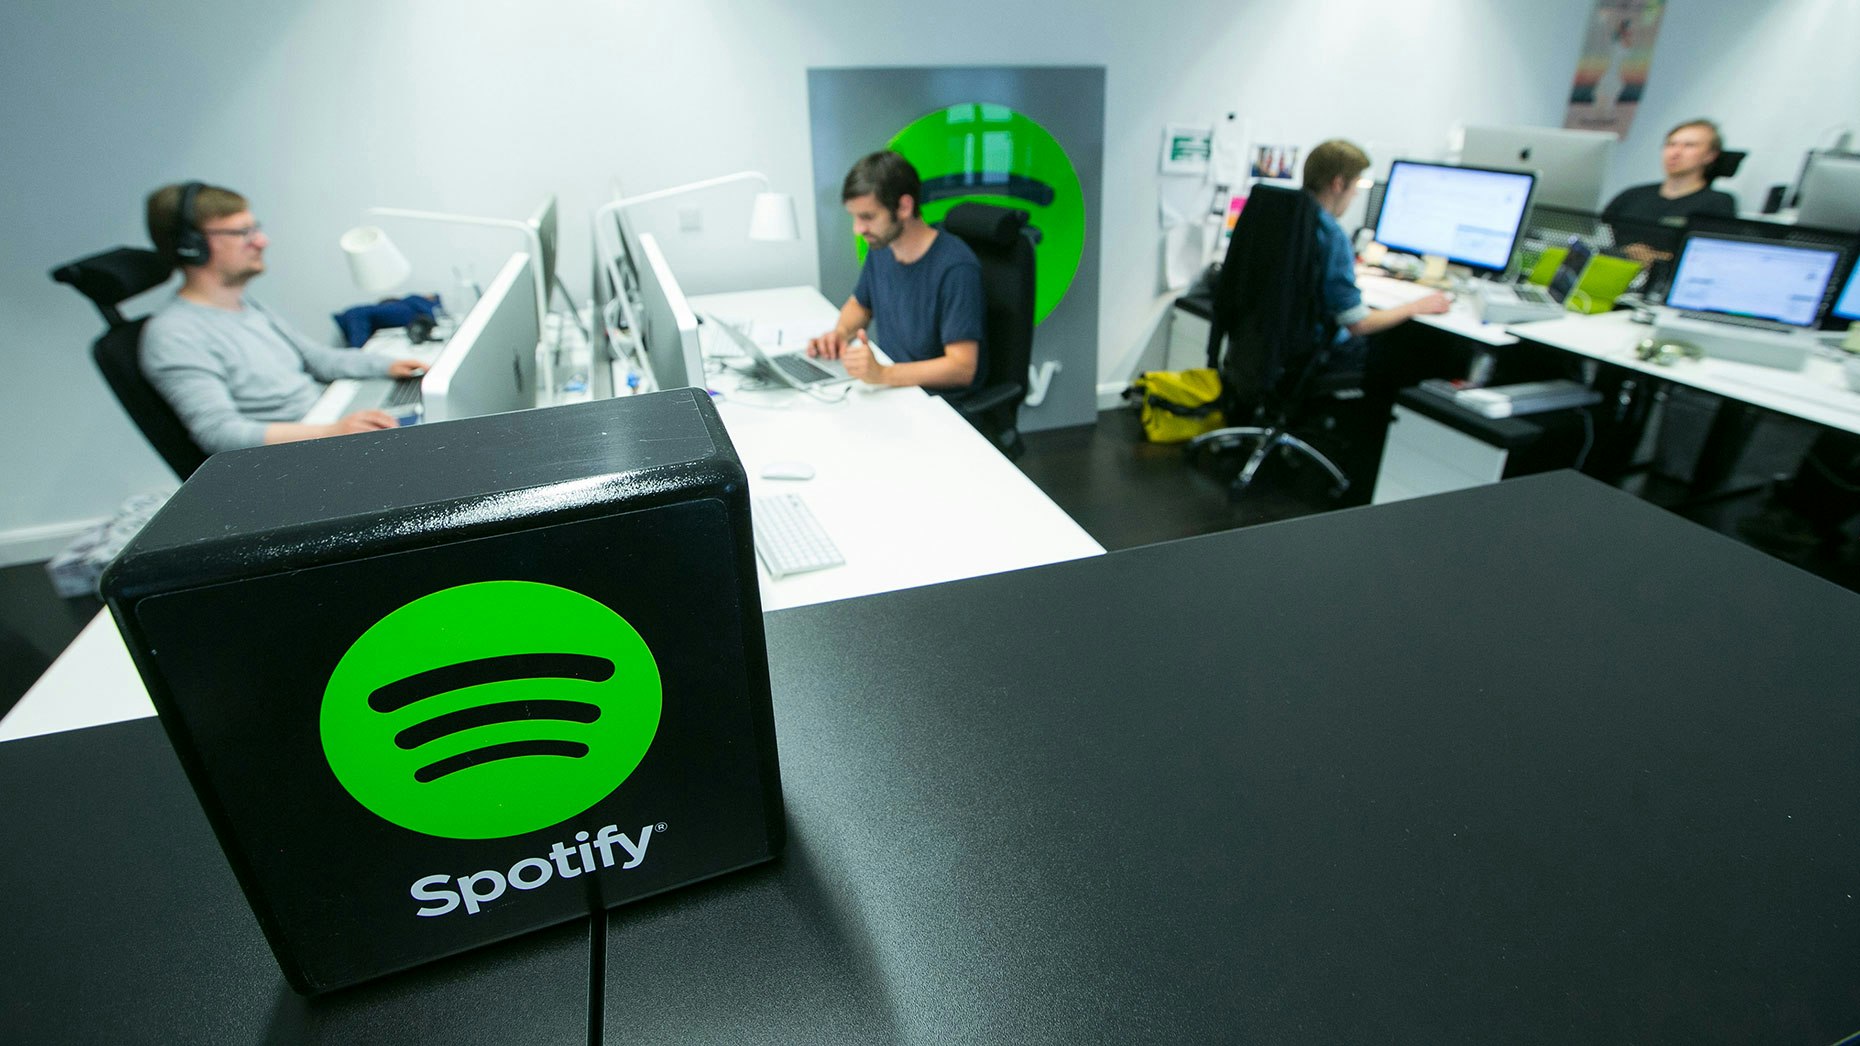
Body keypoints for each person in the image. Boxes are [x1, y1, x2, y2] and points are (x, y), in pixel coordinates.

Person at [140, 182, 427, 455]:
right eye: (243, 232)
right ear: (191, 246)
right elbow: (219, 434)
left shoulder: (246, 306)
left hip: (326, 426)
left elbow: (316, 359)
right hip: (299, 454)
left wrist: (389, 365)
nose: (262, 241)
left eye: (256, 229)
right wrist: (332, 432)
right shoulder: (173, 333)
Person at [807, 152, 983, 391]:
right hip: (896, 388)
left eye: (867, 217)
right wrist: (840, 334)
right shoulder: (882, 247)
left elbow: (962, 367)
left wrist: (883, 374)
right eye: (855, 217)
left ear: (904, 207)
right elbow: (860, 304)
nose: (858, 229)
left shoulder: (956, 268)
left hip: (938, 404)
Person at [1303, 139, 1450, 370]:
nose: (1355, 196)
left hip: (1268, 350)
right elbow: (1357, 323)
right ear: (1339, 184)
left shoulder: (1283, 216)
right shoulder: (1331, 234)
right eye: (1355, 188)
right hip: (1315, 353)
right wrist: (1414, 307)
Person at [1601, 119, 1738, 226]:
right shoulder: (1632, 195)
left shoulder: (1717, 203)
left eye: (1689, 145)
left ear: (1710, 155)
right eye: (1671, 144)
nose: (1675, 152)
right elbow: (1597, 233)